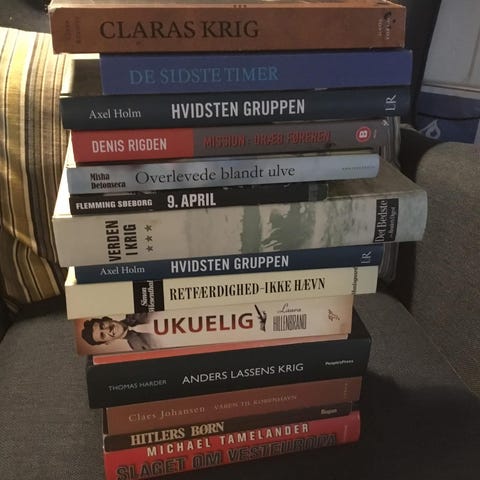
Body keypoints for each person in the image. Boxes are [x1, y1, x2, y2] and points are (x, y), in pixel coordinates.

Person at [81, 314, 158, 351]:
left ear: (108, 318)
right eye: (103, 335)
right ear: (109, 342)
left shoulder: (134, 310)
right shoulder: (138, 349)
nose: (108, 330)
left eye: (102, 325)